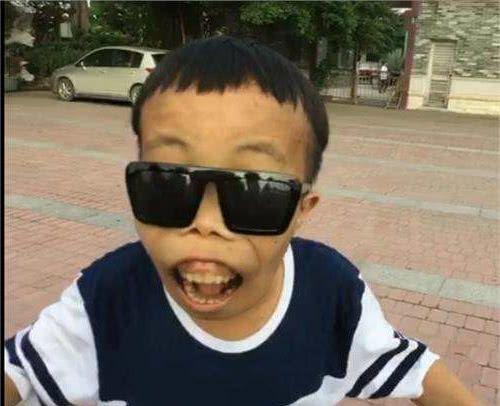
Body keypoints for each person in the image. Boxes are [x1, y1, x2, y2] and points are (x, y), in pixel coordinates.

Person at [4, 36, 480, 406]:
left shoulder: (331, 293)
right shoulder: (107, 297)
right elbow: (19, 371)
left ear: (301, 212)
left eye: (256, 193)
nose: (205, 223)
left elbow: (415, 370)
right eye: (167, 183)